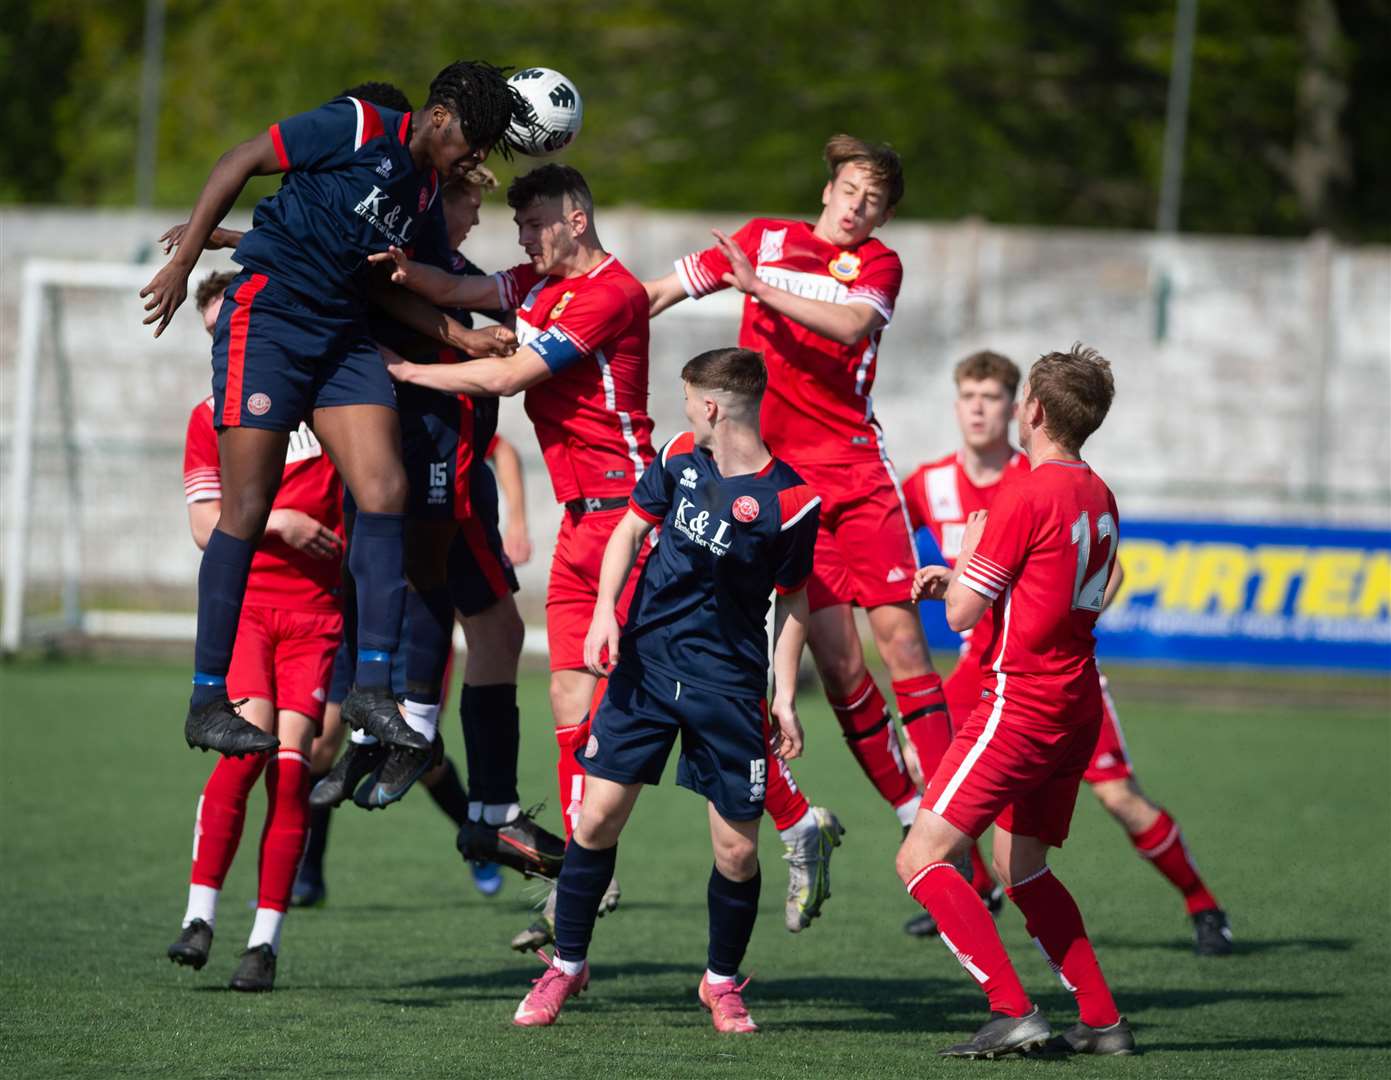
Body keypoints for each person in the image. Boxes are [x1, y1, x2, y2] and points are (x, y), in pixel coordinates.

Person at [375, 164, 841, 949]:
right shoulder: (536, 281)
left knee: (693, 686)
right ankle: (584, 878)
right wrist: (393, 265)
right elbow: (459, 293)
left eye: (533, 223)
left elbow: (513, 373)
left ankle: (797, 824)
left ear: (576, 220)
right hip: (578, 526)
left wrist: (406, 370)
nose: (520, 236)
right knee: (565, 697)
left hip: (636, 517)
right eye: (517, 225)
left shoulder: (603, 294)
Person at [141, 61, 520, 760]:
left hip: (342, 332)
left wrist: (463, 338)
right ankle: (205, 699)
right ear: (440, 118)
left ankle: (371, 689)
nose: (476, 158)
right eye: (475, 139)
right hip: (271, 319)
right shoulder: (356, 124)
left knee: (385, 490)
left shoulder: (427, 189)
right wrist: (187, 257)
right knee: (247, 508)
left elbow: (386, 288)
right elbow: (241, 159)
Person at [643, 136, 949, 836]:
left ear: (882, 218)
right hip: (787, 492)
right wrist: (578, 319)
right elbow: (658, 291)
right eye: (848, 191)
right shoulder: (764, 240)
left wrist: (755, 287)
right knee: (840, 668)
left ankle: (946, 816)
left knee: (901, 644)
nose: (855, 207)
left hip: (856, 474)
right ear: (826, 192)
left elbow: (848, 326)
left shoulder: (876, 265)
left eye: (871, 201)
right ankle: (913, 818)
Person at [511, 348, 820, 1031]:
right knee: (594, 820)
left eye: (687, 399)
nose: (683, 411)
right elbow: (628, 530)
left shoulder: (793, 502)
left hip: (728, 685)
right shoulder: (680, 456)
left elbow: (795, 602)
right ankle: (566, 966)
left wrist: (784, 692)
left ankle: (720, 982)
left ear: (710, 405)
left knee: (736, 852)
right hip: (644, 669)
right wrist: (603, 613)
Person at [901, 350, 1232, 955]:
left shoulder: (1031, 481)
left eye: (993, 396)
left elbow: (1105, 575)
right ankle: (976, 887)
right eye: (968, 396)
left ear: (1021, 408)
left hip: (1042, 670)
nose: (979, 408)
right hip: (985, 664)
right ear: (955, 405)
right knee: (924, 762)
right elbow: (897, 550)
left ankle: (1203, 904)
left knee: (1117, 797)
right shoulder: (927, 483)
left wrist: (1050, 620)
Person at [897, 345, 1136, 1058]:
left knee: (920, 858)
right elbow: (1050, 589)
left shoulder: (1023, 491)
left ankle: (1012, 1008)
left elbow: (964, 617)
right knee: (1021, 868)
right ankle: (1102, 1021)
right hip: (1075, 704)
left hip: (1020, 705)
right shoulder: (1097, 491)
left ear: (1030, 409)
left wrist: (968, 557)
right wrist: (973, 575)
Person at [166, 272, 344, 992]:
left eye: (233, 328)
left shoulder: (326, 403)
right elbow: (208, 529)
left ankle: (264, 942)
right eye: (215, 334)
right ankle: (199, 915)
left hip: (314, 618)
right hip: (245, 611)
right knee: (243, 757)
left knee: (293, 770)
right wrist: (283, 523)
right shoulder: (210, 414)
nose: (227, 344)